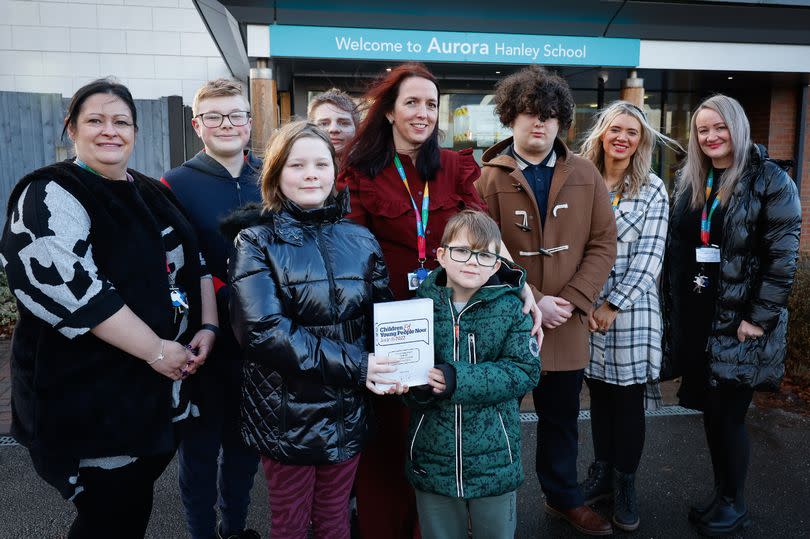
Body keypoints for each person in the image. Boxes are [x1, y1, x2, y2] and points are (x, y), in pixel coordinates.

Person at [0, 78, 217, 538]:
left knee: (130, 508)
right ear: (71, 128)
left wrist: (209, 327)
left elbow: (194, 261)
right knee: (109, 517)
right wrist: (158, 351)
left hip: (154, 398)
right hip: (90, 403)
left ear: (135, 131)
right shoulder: (50, 193)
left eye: (121, 121)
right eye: (95, 120)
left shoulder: (149, 188)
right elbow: (78, 293)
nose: (109, 131)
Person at [225, 121, 404, 539]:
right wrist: (361, 366)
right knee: (289, 525)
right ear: (275, 175)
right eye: (296, 164)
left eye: (321, 164)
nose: (310, 174)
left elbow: (384, 317)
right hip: (288, 414)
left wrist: (406, 361)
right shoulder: (254, 242)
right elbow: (263, 332)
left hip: (348, 411)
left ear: (334, 171)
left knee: (335, 520)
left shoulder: (360, 239)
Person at [337, 62, 488, 539]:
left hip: (450, 320)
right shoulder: (358, 171)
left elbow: (485, 241)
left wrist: (523, 284)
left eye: (430, 104)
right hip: (386, 325)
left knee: (437, 440)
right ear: (389, 111)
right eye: (412, 102)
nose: (422, 113)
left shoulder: (455, 166)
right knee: (387, 441)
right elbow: (351, 257)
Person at [475, 66, 617, 536]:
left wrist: (572, 301)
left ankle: (563, 497)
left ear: (562, 122)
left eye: (552, 115)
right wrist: (534, 299)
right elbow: (480, 251)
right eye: (532, 114)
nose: (541, 123)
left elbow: (603, 244)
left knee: (561, 420)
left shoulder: (586, 172)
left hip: (566, 323)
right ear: (510, 116)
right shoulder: (485, 179)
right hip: (507, 320)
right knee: (495, 420)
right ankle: (489, 504)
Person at [663, 94, 800, 536]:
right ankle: (721, 494)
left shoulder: (770, 180)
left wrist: (757, 319)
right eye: (703, 130)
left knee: (729, 416)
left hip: (741, 325)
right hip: (702, 319)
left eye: (719, 127)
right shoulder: (693, 180)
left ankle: (735, 503)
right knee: (711, 414)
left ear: (737, 127)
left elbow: (783, 258)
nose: (711, 136)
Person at [160, 79, 261, 539]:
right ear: (198, 125)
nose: (227, 124)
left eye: (236, 114)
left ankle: (233, 530)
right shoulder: (173, 184)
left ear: (249, 121)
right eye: (215, 116)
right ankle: (201, 533)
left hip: (260, 343)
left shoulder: (272, 176)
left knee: (244, 451)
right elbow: (167, 271)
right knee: (199, 454)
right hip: (203, 343)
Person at [404, 209, 541, 539]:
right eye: (462, 251)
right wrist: (417, 389)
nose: (472, 261)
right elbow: (408, 373)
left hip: (494, 461)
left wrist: (457, 379)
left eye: (484, 255)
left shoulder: (511, 308)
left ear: (497, 264)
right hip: (433, 455)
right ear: (442, 256)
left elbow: (524, 371)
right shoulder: (419, 306)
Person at [577, 101, 676, 531]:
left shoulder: (652, 188)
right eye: (616, 129)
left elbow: (651, 258)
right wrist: (583, 301)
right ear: (602, 132)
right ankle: (600, 473)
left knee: (627, 400)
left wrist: (613, 305)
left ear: (641, 142)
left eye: (632, 133)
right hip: (583, 307)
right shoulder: (580, 179)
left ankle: (626, 482)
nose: (623, 137)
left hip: (630, 312)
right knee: (598, 394)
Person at [308, 88, 359, 162]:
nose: (333, 129)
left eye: (344, 123)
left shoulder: (374, 170)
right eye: (324, 123)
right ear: (310, 128)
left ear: (357, 129)